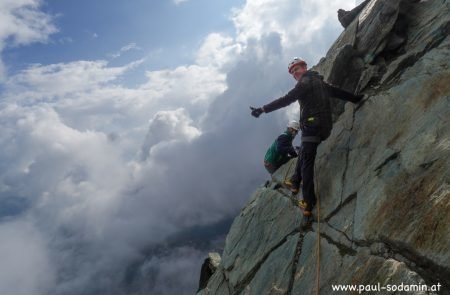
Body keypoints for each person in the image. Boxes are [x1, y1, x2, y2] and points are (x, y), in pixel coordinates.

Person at [250, 57, 363, 218]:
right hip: (324, 127)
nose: (295, 73)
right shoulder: (319, 82)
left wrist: (262, 109)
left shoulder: (305, 83)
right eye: (293, 72)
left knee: (307, 163)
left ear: (304, 67)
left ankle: (308, 202)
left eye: (297, 69)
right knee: (304, 151)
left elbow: (286, 100)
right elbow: (338, 92)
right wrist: (356, 98)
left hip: (312, 125)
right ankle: (295, 181)